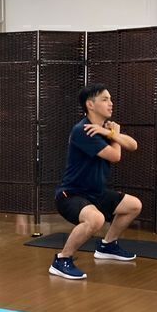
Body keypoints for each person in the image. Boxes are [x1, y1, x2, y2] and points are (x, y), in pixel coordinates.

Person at [49, 83, 142, 280]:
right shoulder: (84, 130)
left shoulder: (103, 129)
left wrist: (110, 133)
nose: (111, 103)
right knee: (96, 219)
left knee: (133, 205)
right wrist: (113, 135)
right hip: (71, 195)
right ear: (90, 105)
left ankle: (107, 246)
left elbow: (133, 145)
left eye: (110, 99)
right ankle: (62, 259)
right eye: (105, 99)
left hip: (95, 193)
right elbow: (115, 156)